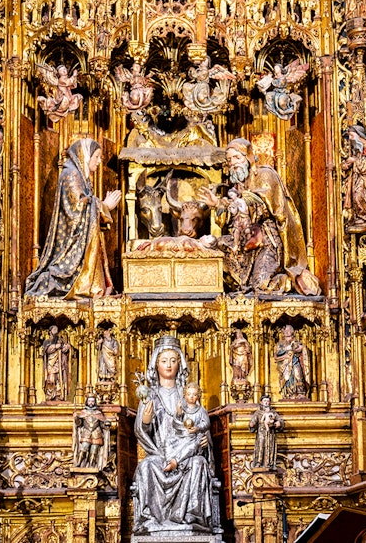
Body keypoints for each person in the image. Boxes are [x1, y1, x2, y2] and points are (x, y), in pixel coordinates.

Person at [198, 138, 320, 295]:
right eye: (229, 160)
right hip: (246, 242)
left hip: (268, 242)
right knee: (213, 248)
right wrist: (216, 204)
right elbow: (229, 219)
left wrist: (234, 203)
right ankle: (240, 284)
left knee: (261, 286)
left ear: (248, 157)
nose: (233, 163)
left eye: (237, 157)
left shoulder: (265, 175)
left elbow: (260, 206)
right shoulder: (239, 185)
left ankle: (289, 281)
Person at [132, 336, 220, 537]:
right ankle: (151, 519)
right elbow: (140, 431)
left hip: (186, 455)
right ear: (156, 364)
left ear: (180, 363)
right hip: (160, 453)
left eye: (173, 360)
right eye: (164, 360)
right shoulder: (150, 395)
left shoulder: (188, 393)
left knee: (198, 464)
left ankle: (191, 517)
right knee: (146, 466)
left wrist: (205, 441)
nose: (169, 365)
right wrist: (146, 420)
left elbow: (201, 423)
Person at [25, 138, 121, 298]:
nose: (99, 161)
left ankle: (91, 288)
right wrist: (104, 206)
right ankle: (80, 287)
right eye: (96, 156)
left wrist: (101, 209)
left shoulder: (80, 176)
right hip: (70, 244)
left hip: (79, 238)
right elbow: (77, 207)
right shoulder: (71, 174)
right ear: (85, 155)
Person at [163, 382, 210, 473]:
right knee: (168, 441)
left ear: (198, 396)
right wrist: (179, 413)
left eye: (194, 394)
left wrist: (197, 428)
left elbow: (206, 423)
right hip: (182, 436)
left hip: (195, 437)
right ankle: (168, 460)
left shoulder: (201, 410)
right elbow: (176, 424)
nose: (191, 396)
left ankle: (175, 461)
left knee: (192, 446)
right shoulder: (183, 410)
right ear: (185, 395)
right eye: (189, 394)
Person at [73, 395, 110, 468]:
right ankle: (79, 463)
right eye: (89, 401)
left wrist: (106, 424)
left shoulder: (98, 413)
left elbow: (102, 424)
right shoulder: (83, 412)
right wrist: (76, 418)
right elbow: (79, 424)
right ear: (87, 402)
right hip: (86, 433)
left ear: (95, 402)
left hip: (96, 433)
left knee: (94, 450)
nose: (91, 403)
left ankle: (91, 465)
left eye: (92, 401)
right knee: (84, 447)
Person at [274, 325, 310, 399]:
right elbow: (276, 358)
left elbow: (302, 350)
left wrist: (298, 349)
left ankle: (300, 392)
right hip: (285, 366)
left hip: (295, 362)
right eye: (285, 331)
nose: (287, 332)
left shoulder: (296, 342)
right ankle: (289, 394)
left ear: (292, 332)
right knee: (288, 379)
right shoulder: (280, 344)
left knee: (298, 375)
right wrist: (285, 356)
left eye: (289, 330)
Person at [249, 394, 284, 469]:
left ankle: (270, 463)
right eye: (265, 401)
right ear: (261, 402)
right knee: (261, 447)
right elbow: (254, 421)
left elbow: (280, 420)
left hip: (271, 433)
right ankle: (259, 462)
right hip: (261, 433)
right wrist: (252, 424)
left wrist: (279, 423)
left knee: (270, 447)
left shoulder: (273, 412)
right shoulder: (258, 413)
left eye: (268, 401)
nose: (266, 402)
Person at [41, 325, 72, 401]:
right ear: (50, 331)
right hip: (51, 363)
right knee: (50, 380)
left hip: (60, 364)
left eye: (57, 329)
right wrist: (55, 346)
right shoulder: (47, 341)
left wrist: (67, 347)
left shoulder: (61, 341)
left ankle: (59, 396)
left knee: (59, 379)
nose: (56, 331)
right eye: (54, 329)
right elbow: (46, 350)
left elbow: (67, 349)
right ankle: (50, 395)